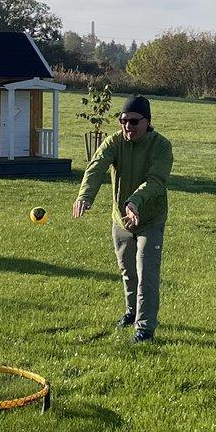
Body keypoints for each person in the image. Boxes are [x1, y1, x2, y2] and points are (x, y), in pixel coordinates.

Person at [74, 95, 173, 343]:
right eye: (123, 121)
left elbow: (156, 181)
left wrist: (134, 202)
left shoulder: (161, 146)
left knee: (146, 272)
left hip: (149, 218)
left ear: (147, 122)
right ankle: (131, 313)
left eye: (134, 121)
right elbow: (96, 167)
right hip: (121, 219)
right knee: (128, 271)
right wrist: (85, 196)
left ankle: (145, 328)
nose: (128, 126)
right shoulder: (114, 142)